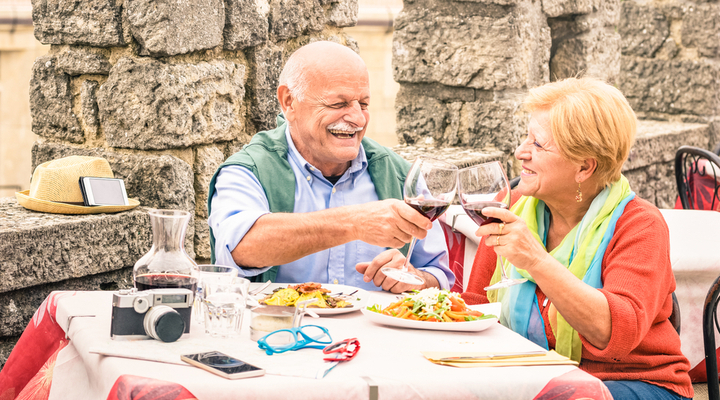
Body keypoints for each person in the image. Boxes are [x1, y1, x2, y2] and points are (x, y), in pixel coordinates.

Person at [462, 78, 693, 399]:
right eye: (525, 137)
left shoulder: (640, 225)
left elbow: (613, 333)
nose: (520, 152)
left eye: (538, 144)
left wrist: (536, 260)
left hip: (634, 382)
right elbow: (475, 306)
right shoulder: (511, 203)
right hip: (526, 375)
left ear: (585, 167)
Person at [207, 41, 454, 293]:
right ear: (289, 102)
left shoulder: (400, 174)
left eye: (364, 104)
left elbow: (440, 276)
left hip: (377, 332)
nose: (358, 118)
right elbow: (241, 247)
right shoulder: (248, 170)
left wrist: (415, 278)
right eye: (338, 104)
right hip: (282, 330)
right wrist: (354, 222)